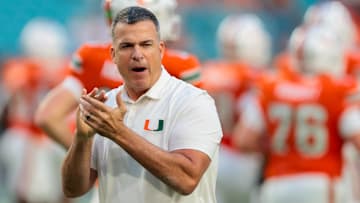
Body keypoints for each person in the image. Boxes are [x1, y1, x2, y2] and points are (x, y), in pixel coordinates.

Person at [61, 6, 222, 203]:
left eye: (146, 45)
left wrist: (117, 132)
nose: (137, 54)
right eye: (127, 46)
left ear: (161, 50)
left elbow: (186, 179)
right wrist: (81, 139)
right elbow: (72, 189)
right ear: (113, 54)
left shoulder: (193, 101)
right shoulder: (105, 106)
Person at [35, 0, 201, 150]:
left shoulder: (92, 57)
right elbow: (196, 134)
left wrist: (89, 161)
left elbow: (48, 116)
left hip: (110, 166)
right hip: (154, 167)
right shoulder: (181, 66)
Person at [233, 25, 360, 203]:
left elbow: (243, 140)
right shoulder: (337, 90)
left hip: (276, 183)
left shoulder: (271, 87)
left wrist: (283, 148)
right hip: (321, 181)